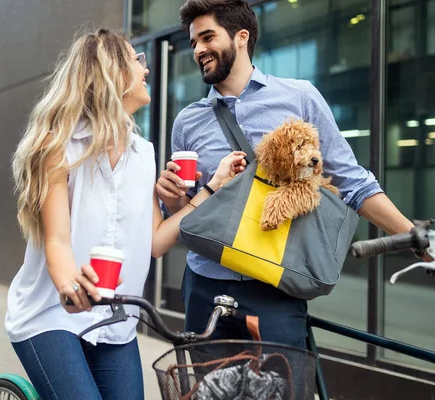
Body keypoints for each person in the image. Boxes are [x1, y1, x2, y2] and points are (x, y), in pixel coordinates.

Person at [155, 0, 432, 350]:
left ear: (241, 37)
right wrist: (173, 198)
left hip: (276, 288)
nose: (199, 50)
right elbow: (186, 219)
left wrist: (416, 240)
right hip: (205, 286)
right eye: (194, 42)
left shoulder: (298, 97)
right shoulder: (188, 121)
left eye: (208, 37)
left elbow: (353, 183)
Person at [5, 28, 244, 400]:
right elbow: (57, 241)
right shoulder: (57, 146)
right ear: (112, 73)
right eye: (138, 61)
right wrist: (71, 289)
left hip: (116, 323)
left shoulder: (144, 153)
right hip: (52, 315)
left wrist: (212, 187)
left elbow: (156, 242)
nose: (146, 71)